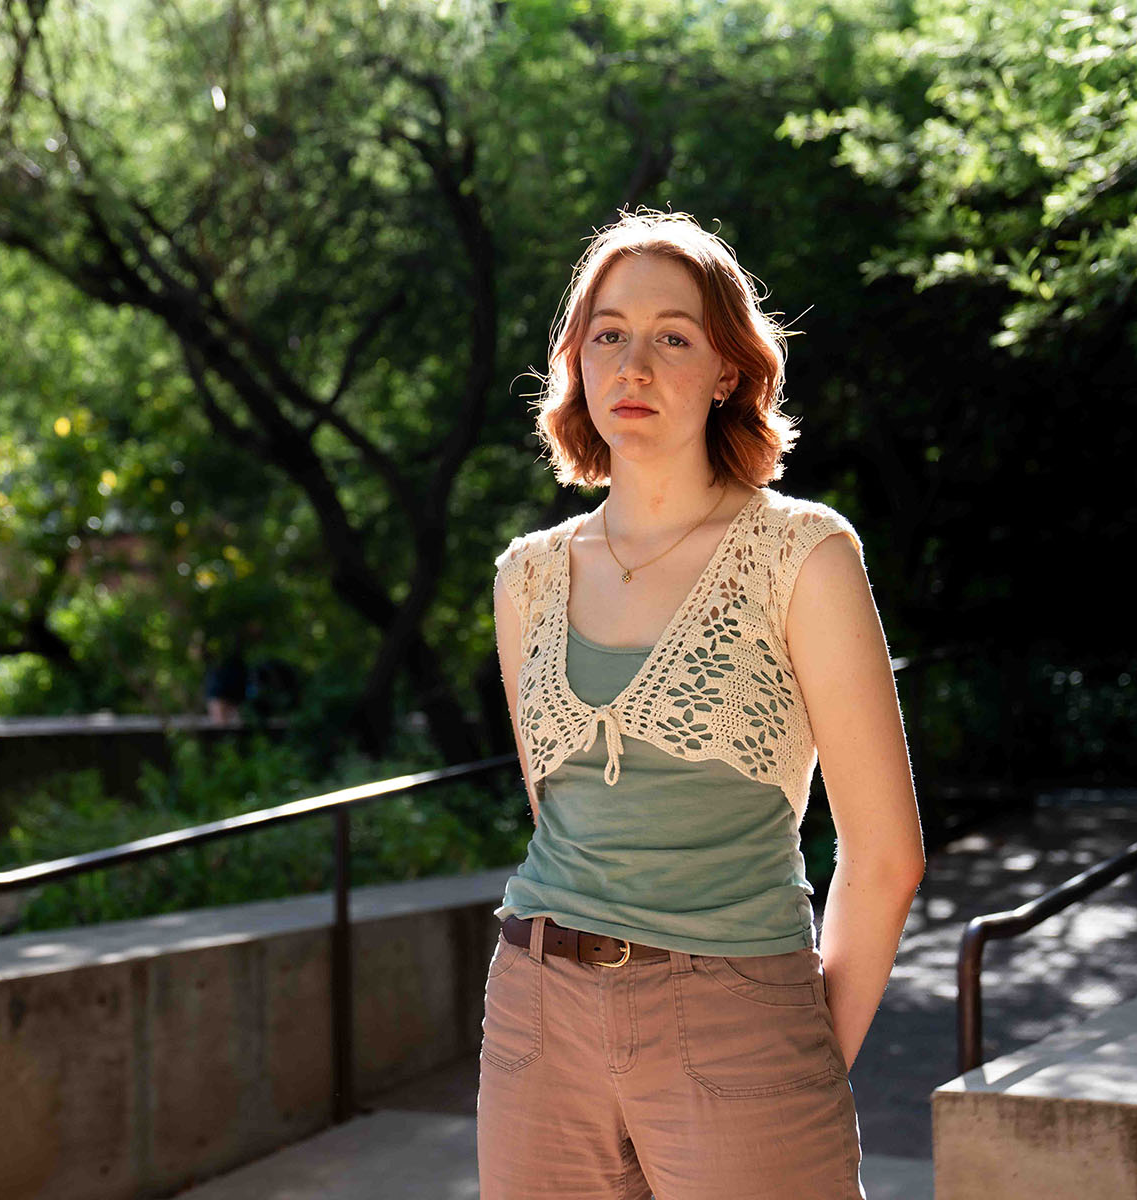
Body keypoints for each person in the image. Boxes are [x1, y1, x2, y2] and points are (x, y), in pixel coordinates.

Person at [478, 208, 925, 1199]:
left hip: (736, 1010)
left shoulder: (801, 555)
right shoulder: (528, 579)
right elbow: (566, 817)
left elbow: (886, 857)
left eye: (672, 336)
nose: (633, 365)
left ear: (726, 369)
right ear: (577, 362)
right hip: (533, 1017)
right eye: (608, 334)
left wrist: (801, 1057)